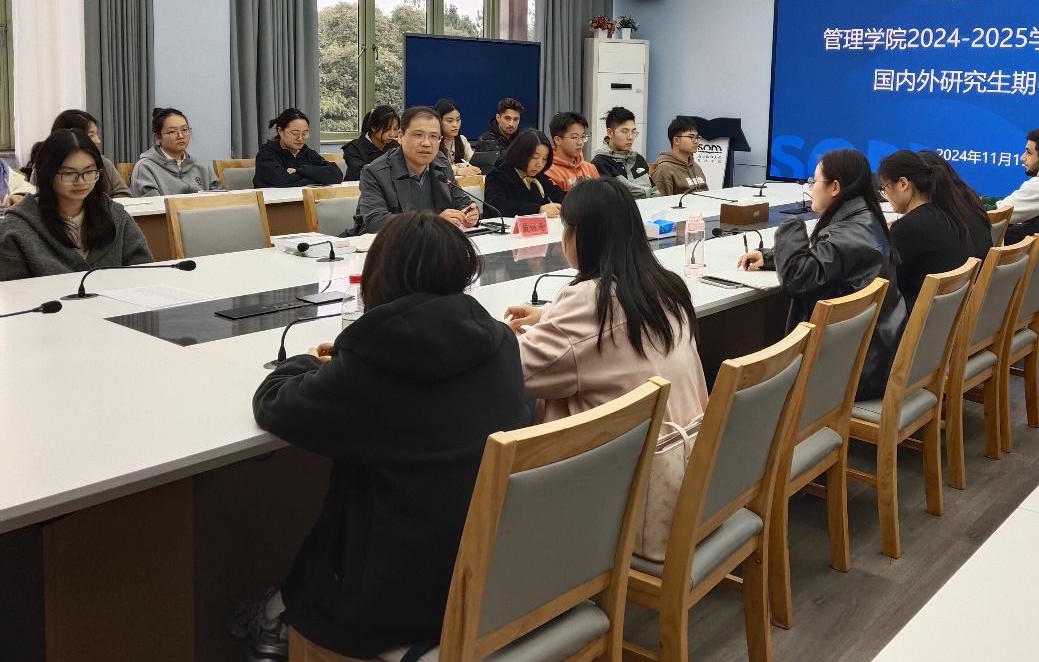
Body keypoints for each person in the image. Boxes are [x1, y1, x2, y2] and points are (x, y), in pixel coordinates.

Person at [246, 211, 531, 660]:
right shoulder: (499, 340)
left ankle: (277, 622)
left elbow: (274, 404)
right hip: (490, 570)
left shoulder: (371, 364)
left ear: (378, 276)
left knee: (299, 586)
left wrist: (306, 362)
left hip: (394, 599)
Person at [504, 177, 707, 557]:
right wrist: (548, 316)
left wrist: (498, 331)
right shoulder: (666, 286)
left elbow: (515, 370)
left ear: (577, 235)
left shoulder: (589, 301)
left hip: (630, 505)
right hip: (695, 482)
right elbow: (607, 336)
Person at [738, 148, 906, 401]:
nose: (811, 187)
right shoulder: (865, 220)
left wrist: (790, 225)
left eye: (814, 181)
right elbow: (828, 259)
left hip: (847, 373)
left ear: (835, 187)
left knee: (747, 379)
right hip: (871, 359)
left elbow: (796, 279)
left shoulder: (846, 234)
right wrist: (772, 257)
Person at [0, 129, 153, 280]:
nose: (81, 181)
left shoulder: (115, 215)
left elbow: (144, 271)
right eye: (68, 173)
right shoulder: (18, 227)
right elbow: (12, 289)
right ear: (48, 173)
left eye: (89, 172)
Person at [878, 149, 991, 311]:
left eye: (884, 188)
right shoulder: (951, 214)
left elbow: (888, 287)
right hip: (953, 314)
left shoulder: (908, 227)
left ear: (903, 184)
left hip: (919, 319)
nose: (885, 195)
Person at [352, 106, 478, 235]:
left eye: (434, 136)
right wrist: (434, 222)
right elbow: (376, 222)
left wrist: (469, 213)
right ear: (400, 136)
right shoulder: (375, 172)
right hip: (385, 243)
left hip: (434, 241)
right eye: (418, 135)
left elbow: (462, 201)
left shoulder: (441, 165)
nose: (426, 143)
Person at [21, 109, 130, 199]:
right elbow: (36, 200)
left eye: (89, 172)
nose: (98, 141)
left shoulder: (104, 164)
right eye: (68, 174)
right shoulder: (44, 165)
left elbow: (123, 195)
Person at [129, 108, 223, 196]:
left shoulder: (202, 168)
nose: (181, 136)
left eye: (184, 130)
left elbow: (221, 200)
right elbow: (152, 205)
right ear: (158, 137)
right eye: (172, 132)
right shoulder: (146, 168)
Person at [483, 129, 565, 218]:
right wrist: (538, 210)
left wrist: (574, 200)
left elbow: (557, 194)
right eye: (535, 157)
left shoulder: (540, 177)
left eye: (544, 159)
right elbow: (497, 205)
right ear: (520, 154)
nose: (540, 164)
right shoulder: (498, 176)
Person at [254, 109, 342, 188]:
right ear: (280, 131)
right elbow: (283, 181)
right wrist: (318, 178)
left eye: (304, 134)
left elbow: (336, 175)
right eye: (295, 134)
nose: (300, 138)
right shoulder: (265, 155)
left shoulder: (309, 154)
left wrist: (300, 170)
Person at [591, 106, 658, 199]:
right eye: (624, 132)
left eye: (633, 132)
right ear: (610, 133)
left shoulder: (638, 159)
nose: (630, 137)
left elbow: (654, 190)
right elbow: (613, 198)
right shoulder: (600, 163)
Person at [650, 116, 709, 196]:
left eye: (697, 137)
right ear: (676, 140)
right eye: (691, 137)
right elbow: (660, 201)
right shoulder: (664, 170)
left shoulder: (696, 167)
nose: (696, 141)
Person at [341, 106, 401, 183]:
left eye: (395, 129)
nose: (392, 134)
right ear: (373, 127)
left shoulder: (395, 146)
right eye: (387, 129)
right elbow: (359, 174)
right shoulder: (353, 148)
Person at [544, 111, 600, 193]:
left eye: (583, 137)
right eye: (574, 137)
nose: (580, 142)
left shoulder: (590, 168)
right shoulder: (549, 171)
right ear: (558, 140)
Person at [434, 98, 479, 175]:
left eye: (458, 120)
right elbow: (435, 167)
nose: (455, 125)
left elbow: (472, 161)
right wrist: (458, 170)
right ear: (438, 121)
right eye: (450, 121)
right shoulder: (433, 141)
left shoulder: (462, 139)